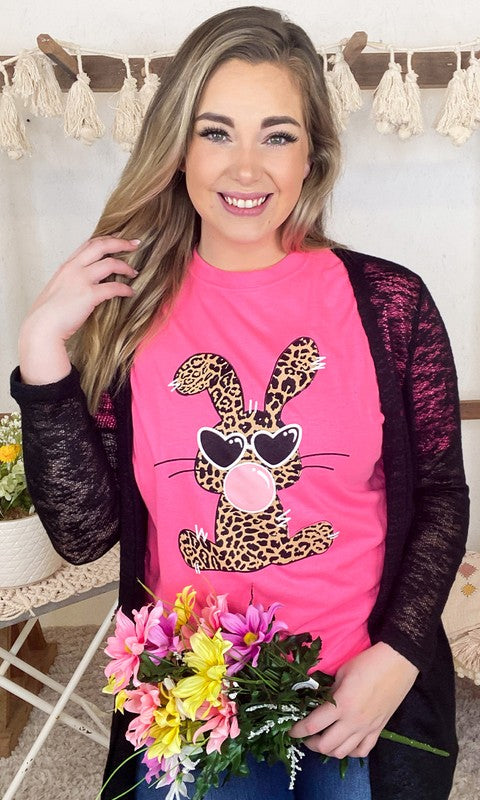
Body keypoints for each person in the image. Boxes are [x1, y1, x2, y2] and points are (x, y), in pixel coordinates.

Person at [10, 6, 469, 800]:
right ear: (178, 147)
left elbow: (439, 494)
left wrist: (398, 656)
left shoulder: (391, 304)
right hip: (193, 701)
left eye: (277, 136)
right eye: (216, 132)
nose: (247, 168)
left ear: (313, 154)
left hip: (356, 692)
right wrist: (42, 348)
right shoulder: (128, 310)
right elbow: (84, 537)